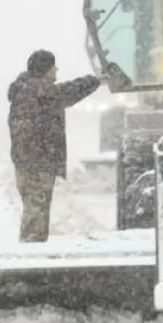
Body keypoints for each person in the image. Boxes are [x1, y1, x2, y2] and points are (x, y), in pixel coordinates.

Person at [7, 49, 103, 242]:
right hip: (36, 162)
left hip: (27, 161)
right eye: (53, 66)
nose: (56, 69)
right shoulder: (40, 93)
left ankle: (31, 253)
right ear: (45, 70)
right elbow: (68, 91)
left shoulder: (26, 90)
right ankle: (30, 259)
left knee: (35, 211)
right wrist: (95, 80)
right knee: (36, 215)